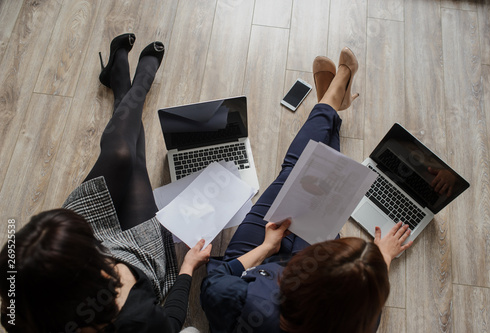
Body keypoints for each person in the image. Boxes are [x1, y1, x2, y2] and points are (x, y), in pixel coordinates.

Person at [0, 33, 211, 333]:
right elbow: (172, 323)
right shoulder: (135, 321)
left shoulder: (24, 301)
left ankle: (126, 81)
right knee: (133, 160)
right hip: (142, 257)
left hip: (72, 259)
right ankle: (125, 81)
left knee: (122, 155)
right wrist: (187, 268)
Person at [200, 48, 413, 333]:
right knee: (317, 184)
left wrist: (266, 248)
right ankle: (334, 98)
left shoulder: (242, 300)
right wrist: (380, 259)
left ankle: (334, 97)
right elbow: (364, 302)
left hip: (254, 261)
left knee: (295, 172)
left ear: (294, 275)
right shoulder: (356, 319)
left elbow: (216, 278)